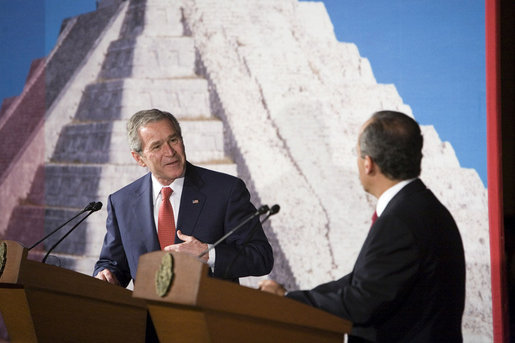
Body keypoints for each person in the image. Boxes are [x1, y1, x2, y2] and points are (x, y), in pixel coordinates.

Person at [259, 111, 466, 342]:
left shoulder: (401, 220)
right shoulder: (421, 207)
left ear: (368, 163)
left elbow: (362, 302)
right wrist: (291, 297)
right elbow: (362, 281)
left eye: (356, 154)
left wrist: (288, 300)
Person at [94, 109, 273, 287]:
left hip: (210, 311)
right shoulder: (122, 202)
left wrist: (208, 253)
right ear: (139, 158)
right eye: (157, 146)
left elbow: (260, 257)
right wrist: (106, 275)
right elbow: (112, 264)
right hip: (147, 313)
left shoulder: (225, 190)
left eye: (173, 140)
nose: (170, 151)